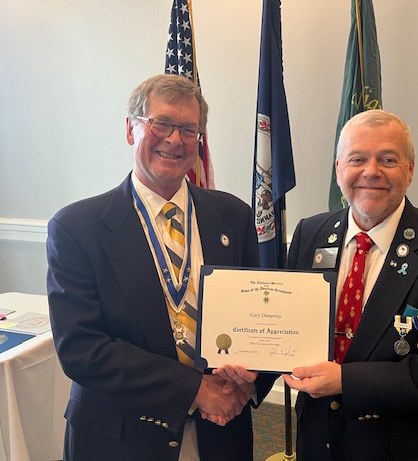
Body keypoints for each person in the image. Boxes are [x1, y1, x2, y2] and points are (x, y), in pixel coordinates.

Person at [46, 74, 274, 461]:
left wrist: (248, 384)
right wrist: (194, 389)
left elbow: (258, 316)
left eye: (188, 130)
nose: (174, 139)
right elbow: (82, 349)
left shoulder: (233, 216)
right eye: (161, 123)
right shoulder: (76, 228)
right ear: (130, 129)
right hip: (122, 439)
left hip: (220, 430)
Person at [281, 110, 418, 460]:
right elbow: (287, 327)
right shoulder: (309, 234)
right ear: (338, 169)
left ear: (410, 170)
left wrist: (347, 381)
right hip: (317, 441)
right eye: (357, 159)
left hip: (400, 449)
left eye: (388, 160)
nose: (371, 172)